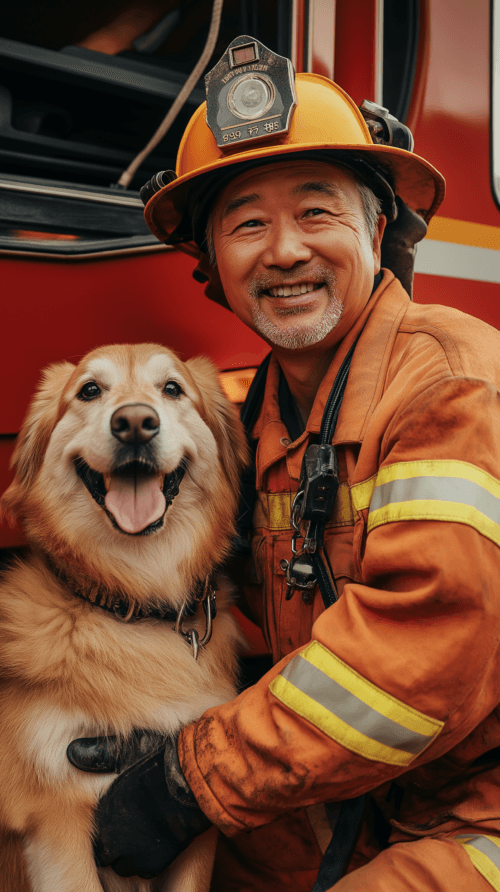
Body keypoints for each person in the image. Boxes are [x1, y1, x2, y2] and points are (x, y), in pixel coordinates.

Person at [68, 38, 500, 892]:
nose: (286, 251)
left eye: (318, 212)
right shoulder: (245, 422)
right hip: (344, 796)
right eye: (247, 224)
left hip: (472, 811)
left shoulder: (451, 386)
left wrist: (189, 780)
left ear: (376, 228)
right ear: (212, 270)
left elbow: (415, 668)